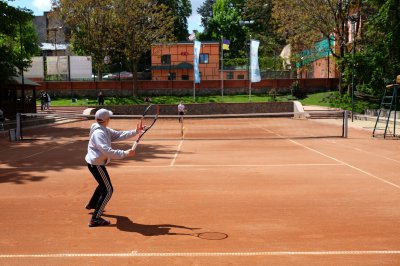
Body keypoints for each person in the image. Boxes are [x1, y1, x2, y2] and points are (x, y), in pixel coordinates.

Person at [85, 108, 140, 227]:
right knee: (108, 190)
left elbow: (119, 135)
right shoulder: (99, 133)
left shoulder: (102, 128)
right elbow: (107, 151)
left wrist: (136, 131)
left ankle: (92, 204)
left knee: (102, 184)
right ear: (106, 120)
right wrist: (125, 153)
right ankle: (95, 218)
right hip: (96, 164)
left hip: (95, 163)